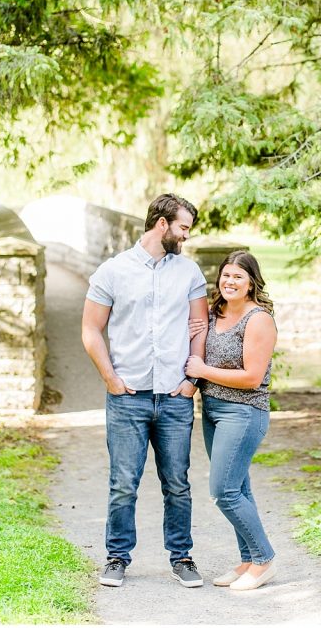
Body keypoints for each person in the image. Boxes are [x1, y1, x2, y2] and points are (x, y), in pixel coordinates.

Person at [81, 193, 209, 588]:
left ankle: (182, 557)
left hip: (174, 397)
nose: (186, 236)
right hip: (128, 398)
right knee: (123, 483)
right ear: (162, 224)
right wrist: (110, 379)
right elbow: (90, 329)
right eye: (183, 228)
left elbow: (199, 327)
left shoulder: (189, 272)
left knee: (177, 483)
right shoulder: (113, 271)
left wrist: (192, 382)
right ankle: (117, 558)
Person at [184, 250, 279, 591]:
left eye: (238, 276)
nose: (230, 281)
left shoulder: (258, 320)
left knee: (224, 491)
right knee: (239, 488)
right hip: (212, 411)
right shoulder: (214, 313)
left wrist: (203, 371)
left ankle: (264, 559)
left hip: (244, 413)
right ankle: (248, 561)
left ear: (251, 281)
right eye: (226, 275)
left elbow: (253, 377)